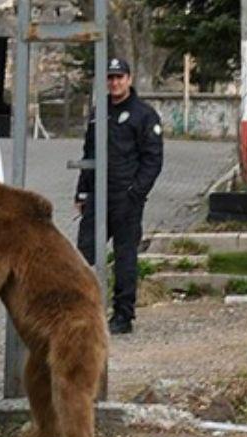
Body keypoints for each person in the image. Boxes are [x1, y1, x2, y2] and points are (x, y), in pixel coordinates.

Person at [74, 57, 163, 336]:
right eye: (110, 78)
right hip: (98, 196)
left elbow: (153, 160)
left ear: (129, 78)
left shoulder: (144, 115)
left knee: (125, 257)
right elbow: (89, 154)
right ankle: (81, 310)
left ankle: (123, 316)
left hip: (126, 198)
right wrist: (82, 191)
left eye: (119, 77)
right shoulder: (99, 112)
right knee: (82, 254)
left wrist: (136, 192)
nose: (114, 83)